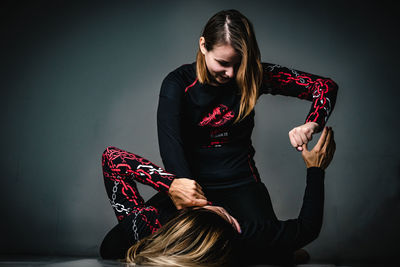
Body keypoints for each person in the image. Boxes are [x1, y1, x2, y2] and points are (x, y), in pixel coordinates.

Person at [99, 127, 335, 266]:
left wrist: (171, 185)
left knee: (111, 246)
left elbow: (112, 157)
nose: (222, 210)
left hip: (168, 219)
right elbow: (307, 229)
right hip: (247, 217)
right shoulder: (243, 239)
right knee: (280, 253)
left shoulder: (144, 227)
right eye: (229, 221)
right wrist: (315, 169)